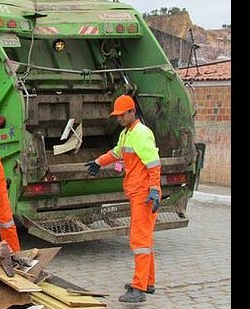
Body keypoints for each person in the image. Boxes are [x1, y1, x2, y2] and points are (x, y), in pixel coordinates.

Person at [85, 95, 161, 303]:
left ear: (132, 112)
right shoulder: (127, 133)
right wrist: (99, 162)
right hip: (139, 192)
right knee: (145, 240)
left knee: (140, 241)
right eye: (116, 115)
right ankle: (148, 282)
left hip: (145, 194)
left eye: (121, 114)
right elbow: (117, 152)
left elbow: (154, 164)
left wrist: (154, 189)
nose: (118, 118)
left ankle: (138, 289)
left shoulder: (141, 134)